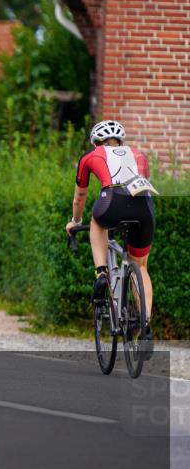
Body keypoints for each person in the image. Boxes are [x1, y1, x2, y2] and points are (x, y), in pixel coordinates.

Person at [65, 119, 155, 343]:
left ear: (96, 142)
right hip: (144, 206)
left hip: (112, 200)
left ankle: (102, 273)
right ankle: (145, 327)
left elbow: (80, 197)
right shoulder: (139, 154)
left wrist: (75, 221)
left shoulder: (90, 156)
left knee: (98, 221)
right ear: (120, 140)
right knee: (141, 266)